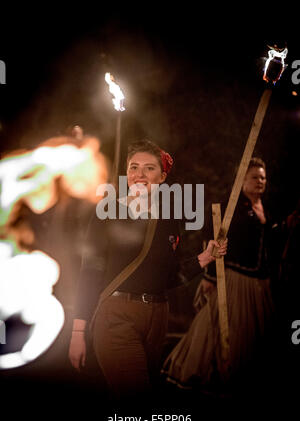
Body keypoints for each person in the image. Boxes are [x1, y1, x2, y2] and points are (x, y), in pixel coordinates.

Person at [68, 139, 227, 401]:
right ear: (126, 173)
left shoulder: (167, 218)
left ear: (162, 177)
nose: (140, 174)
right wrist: (77, 333)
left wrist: (205, 258)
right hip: (116, 317)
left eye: (149, 168)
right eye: (133, 167)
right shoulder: (107, 211)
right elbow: (90, 273)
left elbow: (170, 276)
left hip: (157, 319)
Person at [162, 157, 276, 395]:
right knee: (227, 332)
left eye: (263, 177)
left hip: (261, 283)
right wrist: (210, 278)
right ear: (242, 180)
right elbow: (216, 242)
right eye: (255, 177)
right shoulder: (232, 207)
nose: (260, 181)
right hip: (235, 281)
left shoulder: (267, 208)